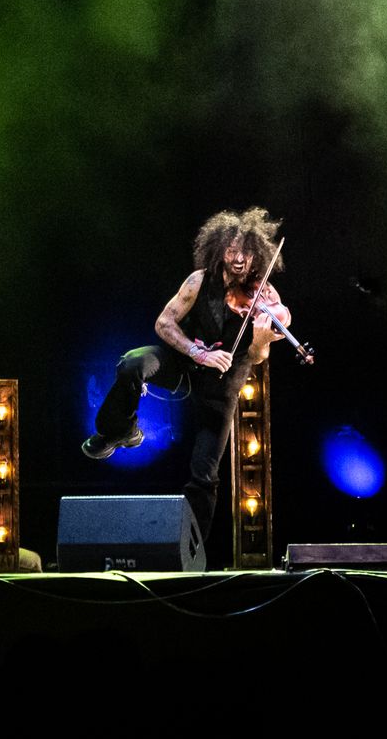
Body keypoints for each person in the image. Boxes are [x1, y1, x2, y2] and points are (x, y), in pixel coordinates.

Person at [81, 207, 293, 556]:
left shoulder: (264, 296)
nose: (239, 258)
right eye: (231, 250)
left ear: (257, 254)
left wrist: (261, 338)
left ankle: (190, 551)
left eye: (246, 252)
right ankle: (121, 430)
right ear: (219, 250)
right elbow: (163, 323)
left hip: (221, 388)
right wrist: (196, 352)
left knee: (204, 475)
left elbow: (257, 357)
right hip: (184, 365)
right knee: (133, 362)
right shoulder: (198, 281)